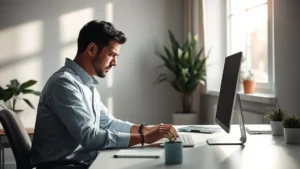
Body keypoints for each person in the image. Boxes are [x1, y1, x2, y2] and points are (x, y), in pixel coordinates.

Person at [31, 20, 178, 169]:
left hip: (82, 162)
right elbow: (90, 137)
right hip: (63, 166)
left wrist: (145, 129)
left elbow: (107, 123)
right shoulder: (64, 84)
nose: (115, 63)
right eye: (111, 55)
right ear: (92, 49)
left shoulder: (85, 83)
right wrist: (143, 138)